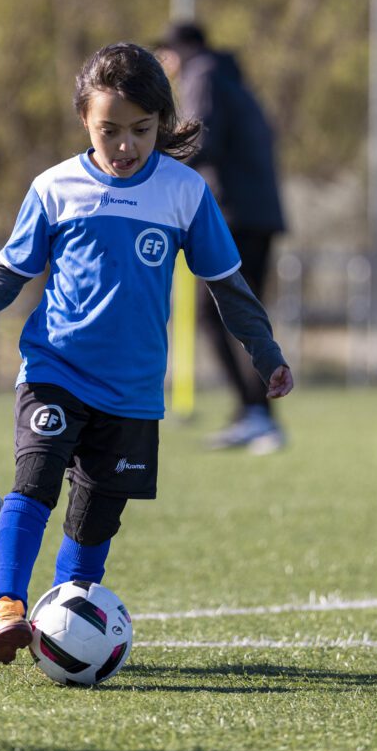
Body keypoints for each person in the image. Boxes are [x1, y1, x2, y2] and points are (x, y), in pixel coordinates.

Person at [0, 42, 294, 665]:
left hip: (133, 392)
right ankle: (3, 605)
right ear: (85, 119)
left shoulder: (184, 191)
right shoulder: (54, 187)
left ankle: (62, 625)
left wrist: (265, 353)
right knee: (34, 484)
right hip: (54, 368)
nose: (126, 145)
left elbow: (228, 287)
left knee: (93, 523)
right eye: (110, 130)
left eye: (140, 130)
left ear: (162, 122)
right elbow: (10, 271)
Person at [156, 22, 288, 453]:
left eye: (165, 57)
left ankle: (258, 415)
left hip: (236, 213)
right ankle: (256, 414)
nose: (166, 68)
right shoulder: (227, 75)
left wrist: (153, 168)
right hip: (256, 211)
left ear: (180, 49)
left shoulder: (203, 74)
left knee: (222, 315)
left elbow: (200, 139)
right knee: (241, 314)